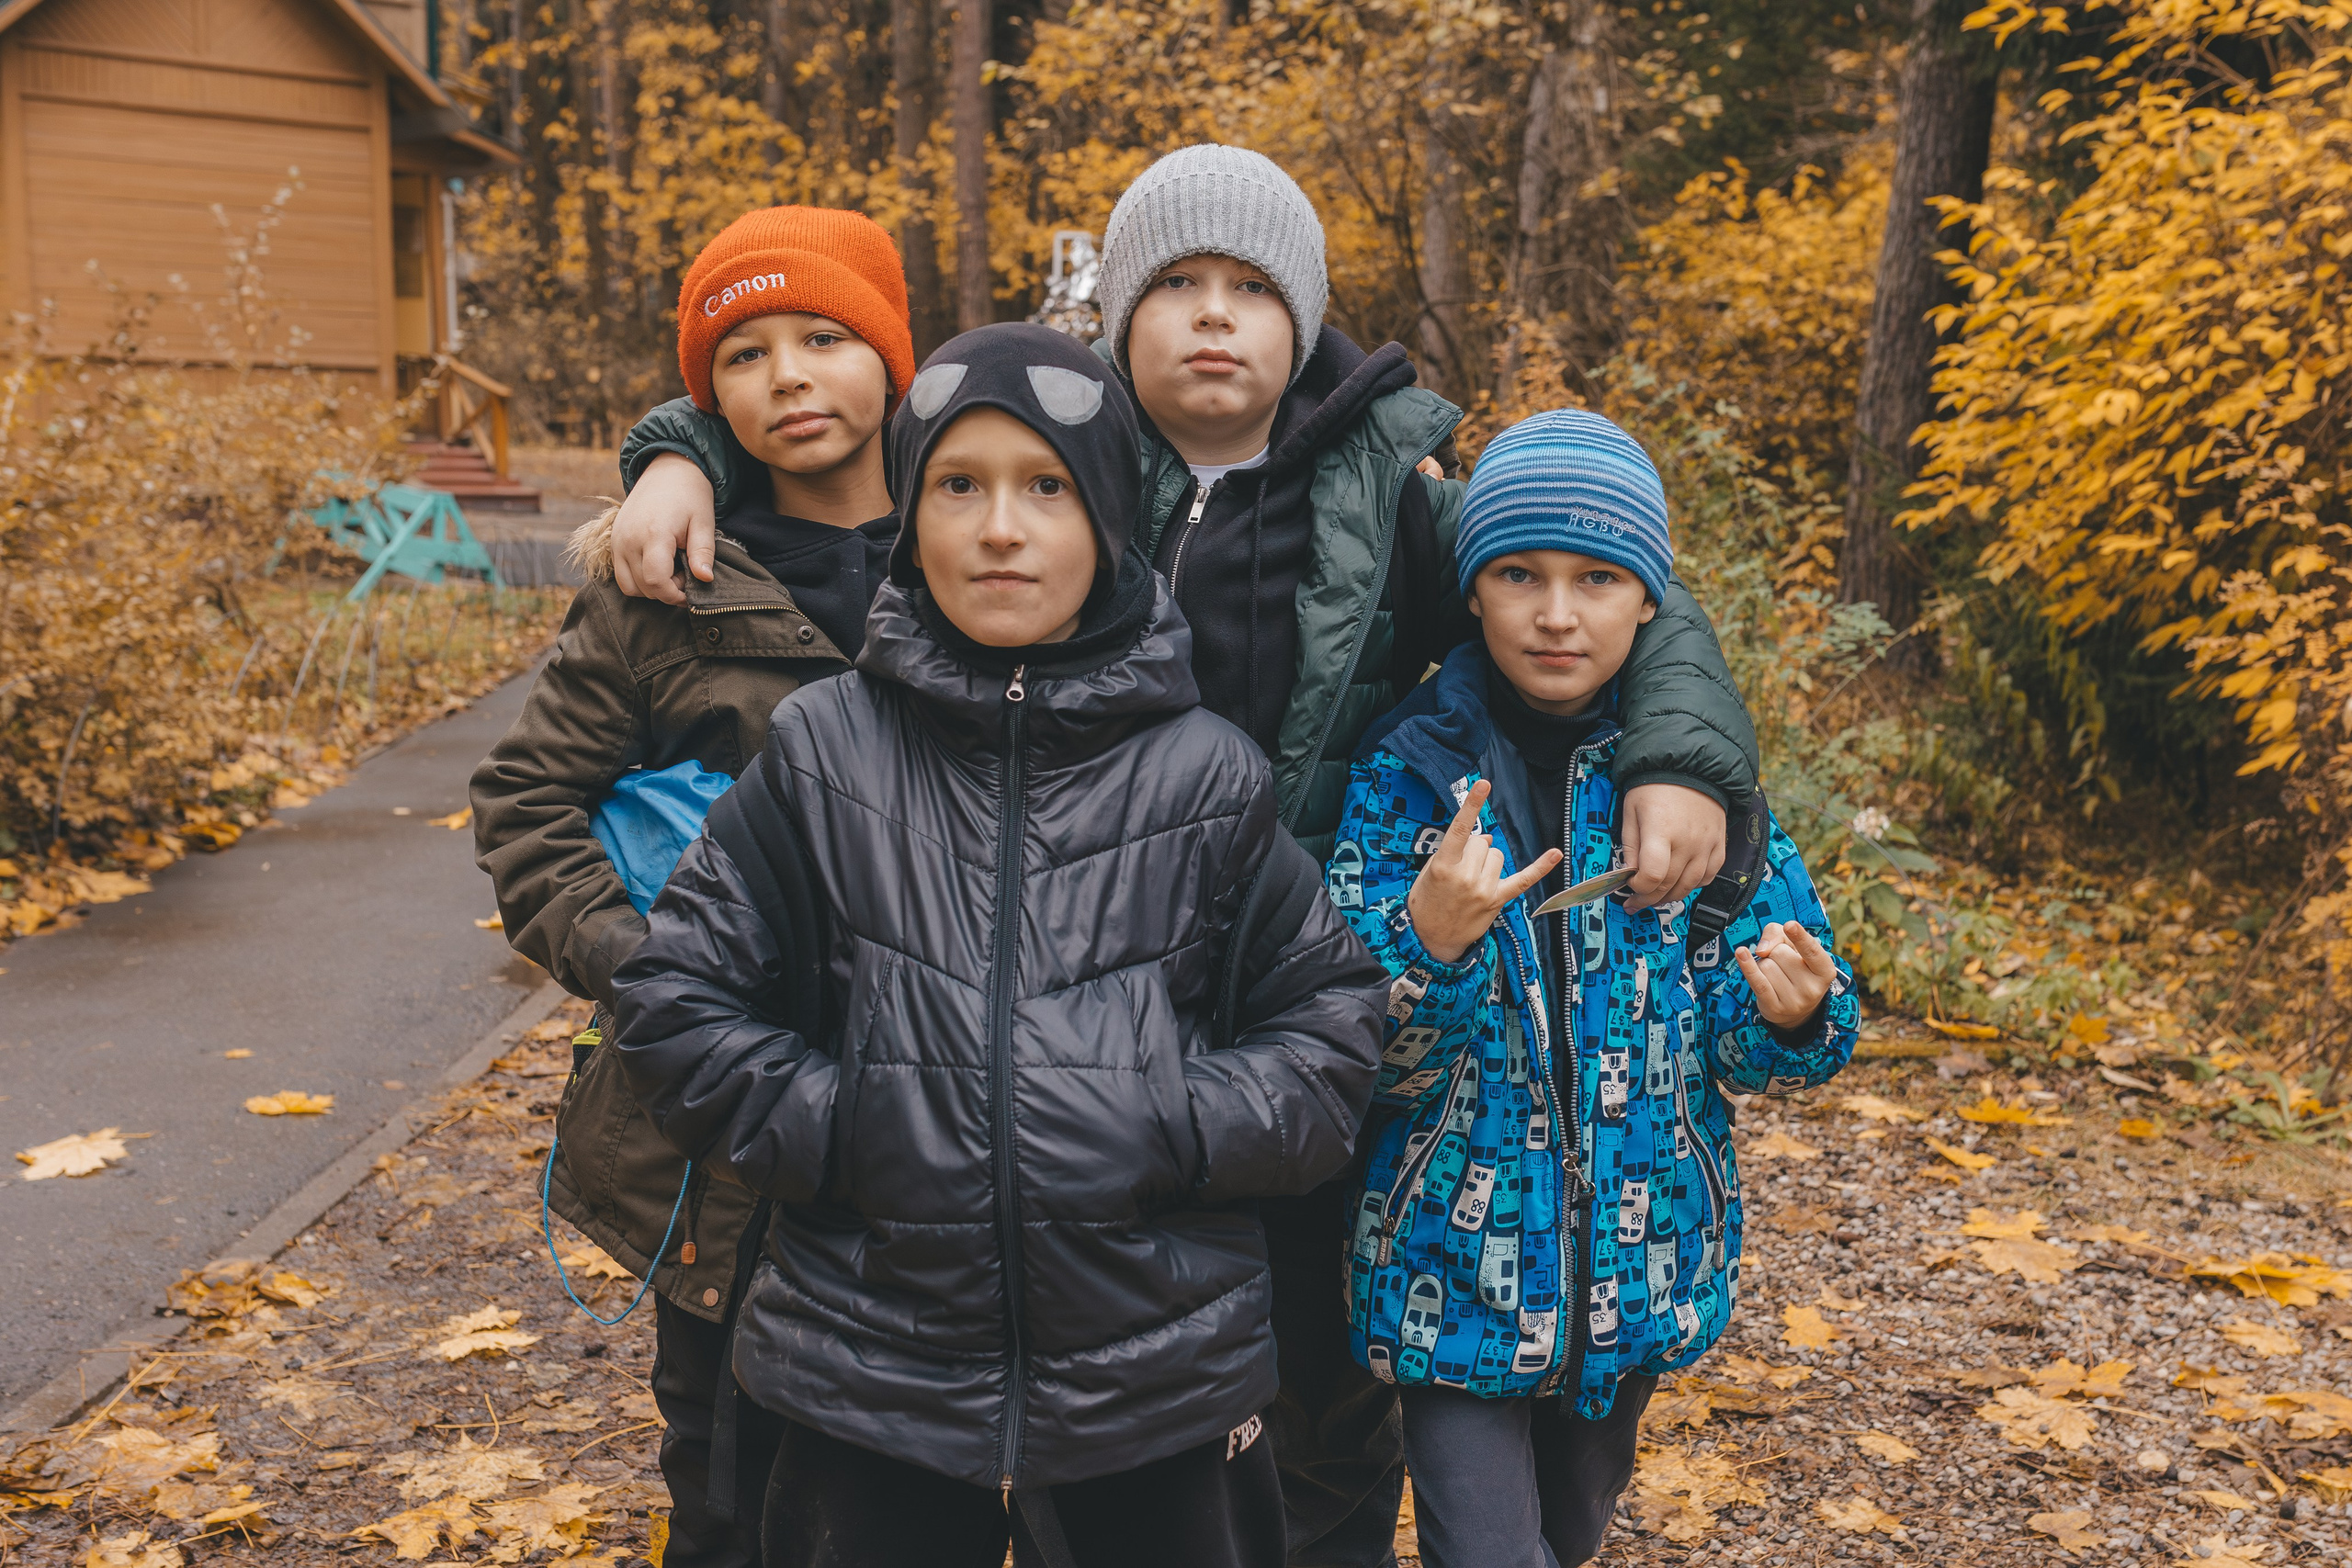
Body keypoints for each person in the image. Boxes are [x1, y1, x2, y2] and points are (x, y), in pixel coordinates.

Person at [595, 145, 1762, 1566]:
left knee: (1313, 1426)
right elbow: (852, 421)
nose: (1214, 315)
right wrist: (676, 448)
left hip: (1268, 1034)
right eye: (1178, 285)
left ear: (1306, 317)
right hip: (937, 1157)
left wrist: (1680, 751)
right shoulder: (1041, 478)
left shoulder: (1391, 488)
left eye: (1252, 287)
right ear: (1113, 328)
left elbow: (1583, 568)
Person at [607, 322, 1388, 1568]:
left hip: (1160, 1375)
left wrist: (1178, 1122)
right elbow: (674, 999)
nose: (1002, 528)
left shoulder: (1206, 774)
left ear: (1109, 522)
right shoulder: (824, 752)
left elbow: (1334, 1028)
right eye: (959, 485)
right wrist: (849, 1123)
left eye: (1048, 487)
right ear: (911, 516)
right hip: (867, 1373)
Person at [1327, 410, 1858, 1568]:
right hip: (1446, 1280)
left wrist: (1797, 1014)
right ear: (1472, 590)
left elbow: (1756, 1030)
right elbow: (1352, 1047)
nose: (1557, 614)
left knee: (1569, 1537)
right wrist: (1428, 943)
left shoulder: (1700, 790)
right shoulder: (1404, 768)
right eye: (1518, 573)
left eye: (1597, 577)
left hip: (1639, 1268)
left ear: (1648, 600)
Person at [468, 205, 917, 1568]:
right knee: (728, 1476)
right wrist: (652, 968)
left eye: (824, 336)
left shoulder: (992, 544)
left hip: (943, 1108)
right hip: (731, 1138)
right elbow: (526, 808)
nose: (784, 375)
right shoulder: (662, 586)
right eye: (741, 354)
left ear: (896, 352)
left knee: (921, 1477)